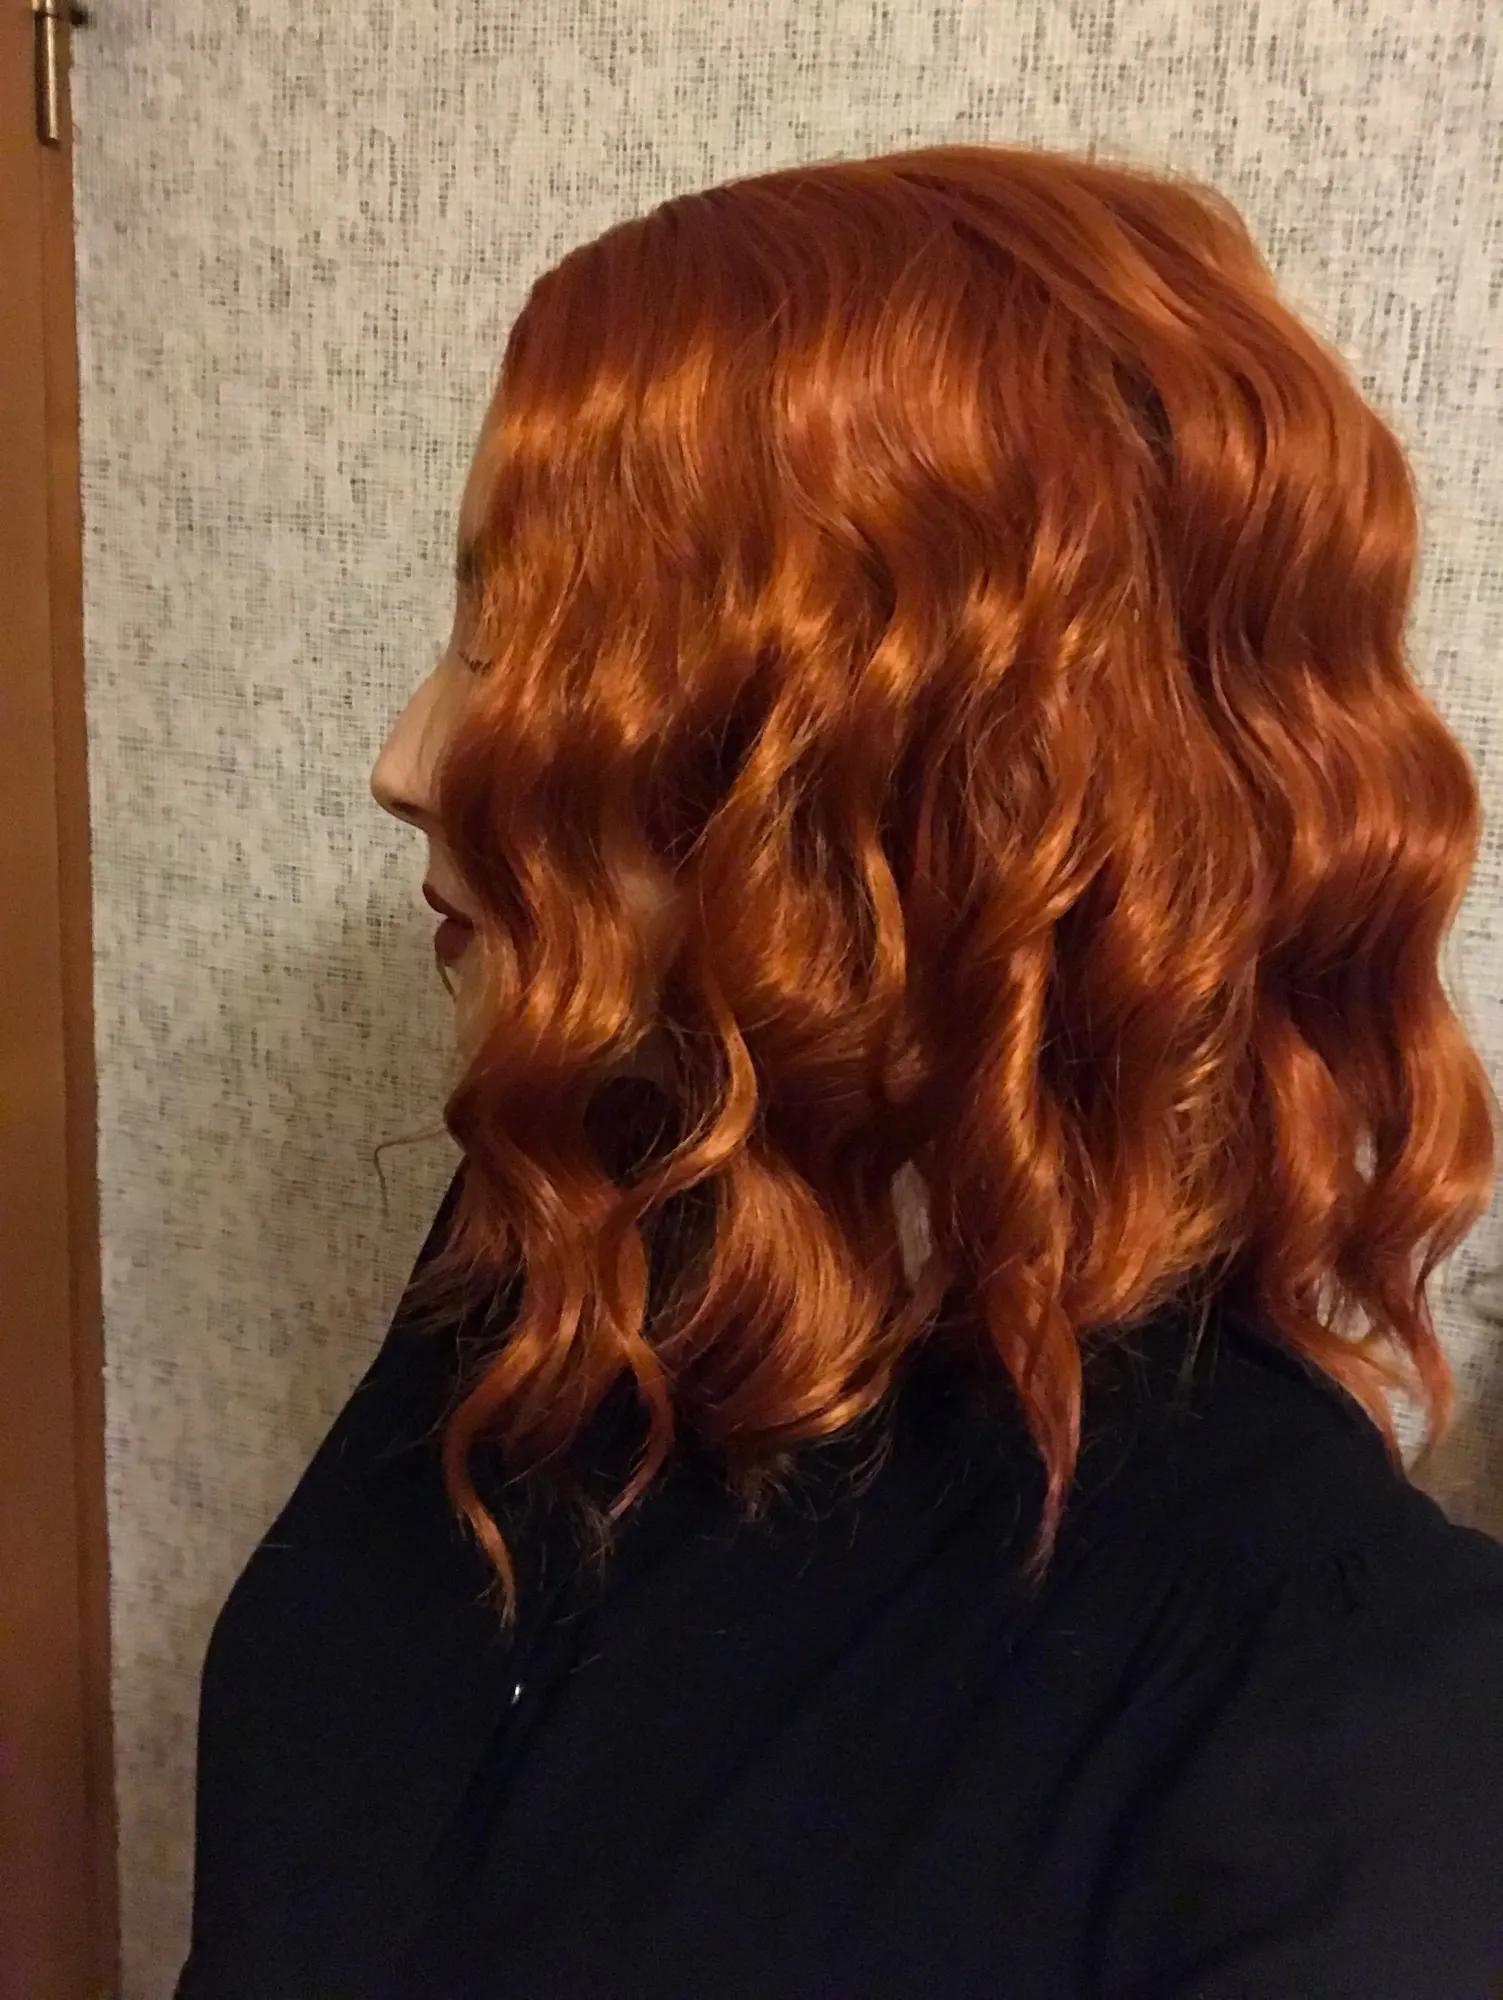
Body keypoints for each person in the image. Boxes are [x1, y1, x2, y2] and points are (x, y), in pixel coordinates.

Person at [175, 142, 1503, 1999]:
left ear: (943, 766)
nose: (407, 759)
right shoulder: (562, 1242)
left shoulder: (1348, 1723)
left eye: (535, 648)